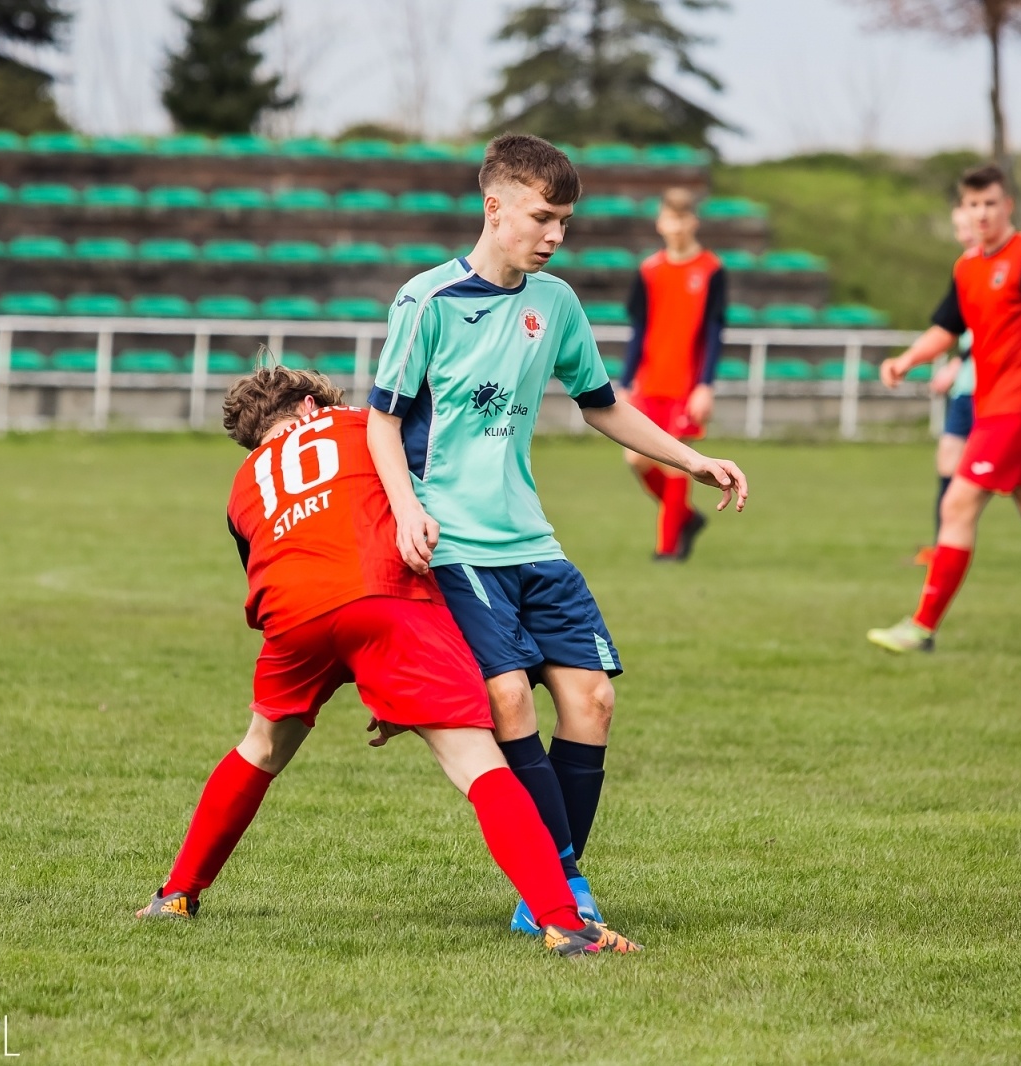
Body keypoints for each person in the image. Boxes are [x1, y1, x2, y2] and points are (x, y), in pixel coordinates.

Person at [366, 133, 749, 935]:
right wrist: (408, 509)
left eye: (565, 222)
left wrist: (691, 461)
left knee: (593, 701)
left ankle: (549, 879)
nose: (554, 235)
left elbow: (601, 401)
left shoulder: (558, 303)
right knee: (506, 694)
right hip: (459, 544)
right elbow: (381, 422)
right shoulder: (425, 302)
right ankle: (560, 885)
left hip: (531, 540)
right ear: (493, 205)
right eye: (542, 217)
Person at [136, 365, 641, 958]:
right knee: (477, 763)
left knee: (260, 747)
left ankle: (176, 894)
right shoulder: (364, 426)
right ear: (307, 406)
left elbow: (271, 562)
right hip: (387, 601)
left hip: (292, 617)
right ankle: (564, 923)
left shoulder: (241, 488)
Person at [867, 163, 1021, 657]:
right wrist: (908, 359)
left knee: (956, 505)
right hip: (991, 406)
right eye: (973, 205)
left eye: (990, 204)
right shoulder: (967, 266)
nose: (981, 213)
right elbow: (947, 328)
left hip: (1018, 407)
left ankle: (921, 629)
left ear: (1008, 206)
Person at [620, 187, 727, 561]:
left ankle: (667, 550)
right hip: (650, 380)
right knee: (635, 459)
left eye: (683, 218)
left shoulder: (711, 270)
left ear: (693, 221)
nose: (677, 226)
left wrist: (705, 386)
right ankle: (686, 517)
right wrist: (625, 381)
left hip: (686, 384)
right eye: (670, 218)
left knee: (679, 463)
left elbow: (714, 332)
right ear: (660, 222)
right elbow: (638, 331)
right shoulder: (649, 270)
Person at [913, 204, 979, 568]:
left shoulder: (992, 267)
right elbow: (965, 331)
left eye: (966, 225)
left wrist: (956, 363)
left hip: (991, 390)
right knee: (948, 459)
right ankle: (941, 548)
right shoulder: (967, 267)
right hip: (966, 388)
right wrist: (957, 363)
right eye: (958, 227)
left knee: (1012, 482)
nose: (963, 233)